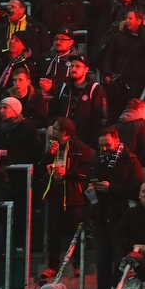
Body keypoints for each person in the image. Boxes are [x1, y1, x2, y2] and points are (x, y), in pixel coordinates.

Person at [88, 127, 144, 289]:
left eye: (107, 145)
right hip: (100, 217)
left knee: (120, 260)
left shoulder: (130, 160)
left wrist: (111, 188)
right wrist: (89, 188)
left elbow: (137, 189)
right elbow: (87, 180)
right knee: (101, 262)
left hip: (121, 218)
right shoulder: (96, 159)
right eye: (101, 145)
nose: (104, 149)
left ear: (117, 140)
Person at [40, 117, 93, 280]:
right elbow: (41, 166)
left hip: (73, 197)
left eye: (55, 129)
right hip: (55, 195)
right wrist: (49, 158)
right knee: (53, 233)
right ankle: (52, 266)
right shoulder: (52, 146)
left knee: (75, 232)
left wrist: (67, 171)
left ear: (64, 132)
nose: (51, 130)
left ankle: (78, 265)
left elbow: (87, 172)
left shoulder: (82, 148)